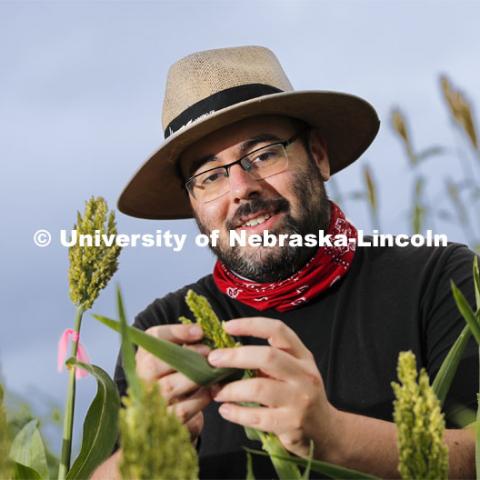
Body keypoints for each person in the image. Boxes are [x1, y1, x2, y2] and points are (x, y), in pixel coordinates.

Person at [92, 46, 478, 479]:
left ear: (318, 156)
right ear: (194, 204)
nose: (241, 188)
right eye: (210, 176)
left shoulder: (438, 278)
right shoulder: (162, 332)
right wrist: (146, 452)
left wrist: (333, 436)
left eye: (263, 154)